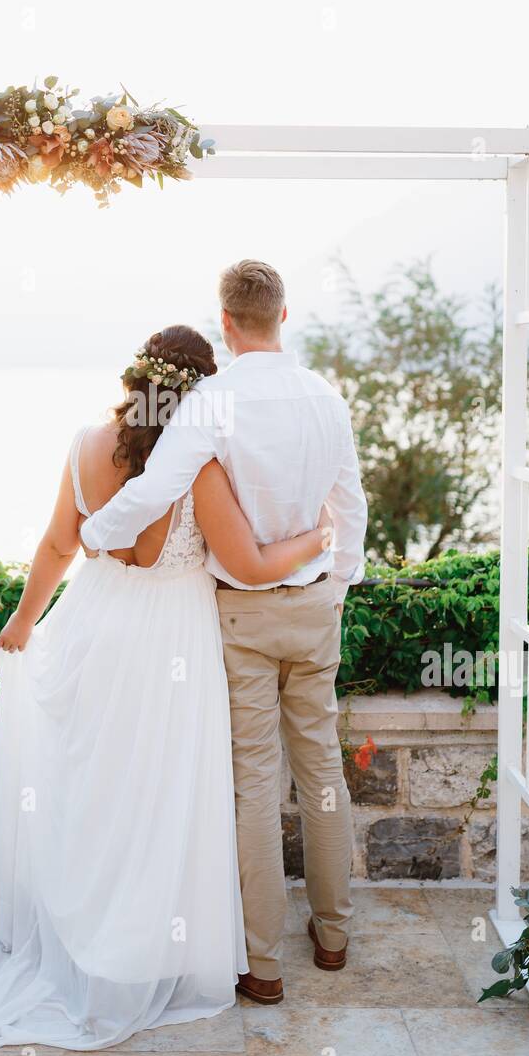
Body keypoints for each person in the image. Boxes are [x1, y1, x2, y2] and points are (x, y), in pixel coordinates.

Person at [0, 323, 329, 1048]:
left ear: (136, 379)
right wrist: (321, 536)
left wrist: (23, 621)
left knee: (96, 791)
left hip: (97, 623)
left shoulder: (86, 442)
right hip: (172, 641)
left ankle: (86, 941)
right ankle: (157, 948)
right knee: (163, 793)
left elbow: (61, 544)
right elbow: (248, 564)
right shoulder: (202, 465)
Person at [80, 262, 367, 1004]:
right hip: (313, 610)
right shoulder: (327, 398)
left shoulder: (212, 400)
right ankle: (333, 936)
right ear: (283, 314)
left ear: (228, 321)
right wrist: (338, 585)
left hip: (241, 616)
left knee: (254, 788)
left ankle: (263, 965)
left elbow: (156, 490)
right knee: (323, 774)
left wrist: (95, 532)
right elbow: (351, 507)